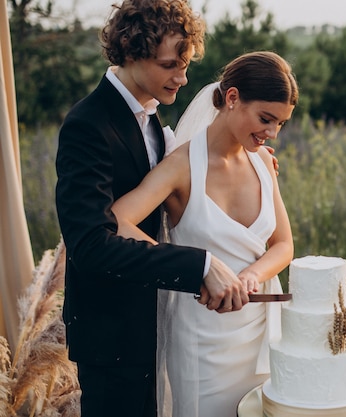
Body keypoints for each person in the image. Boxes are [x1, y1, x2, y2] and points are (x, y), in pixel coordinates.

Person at [55, 1, 251, 416]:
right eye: (169, 66)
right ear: (129, 52)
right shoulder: (87, 126)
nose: (182, 78)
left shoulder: (150, 120)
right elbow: (89, 244)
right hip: (111, 334)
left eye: (185, 64)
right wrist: (198, 266)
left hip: (158, 323)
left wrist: (250, 158)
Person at [110, 51, 298, 417]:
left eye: (280, 124)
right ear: (232, 99)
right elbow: (118, 220)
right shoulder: (180, 166)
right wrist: (193, 270)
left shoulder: (262, 162)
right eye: (265, 118)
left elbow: (283, 245)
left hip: (260, 331)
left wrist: (250, 275)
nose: (272, 133)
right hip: (203, 341)